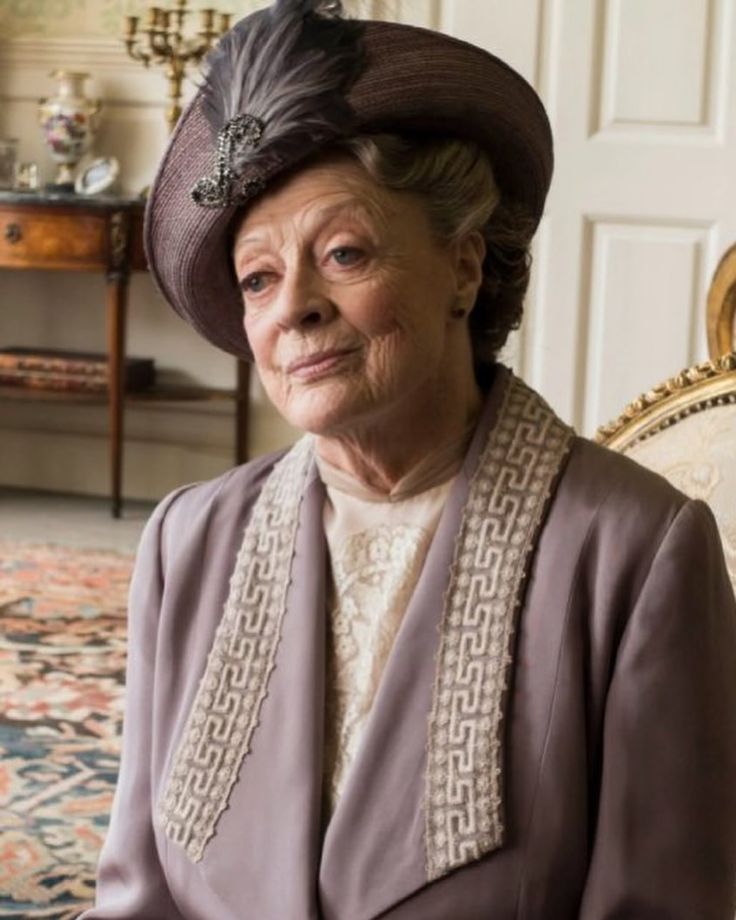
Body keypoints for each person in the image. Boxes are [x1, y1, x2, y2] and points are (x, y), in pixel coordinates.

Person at [80, 1, 736, 917]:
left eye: (343, 253)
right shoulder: (185, 541)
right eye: (259, 278)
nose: (292, 309)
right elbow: (137, 895)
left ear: (465, 268)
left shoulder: (637, 553)